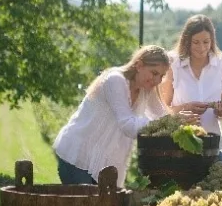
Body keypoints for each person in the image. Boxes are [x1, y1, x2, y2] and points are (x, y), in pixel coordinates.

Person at [52, 45, 198, 187]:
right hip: (78, 155)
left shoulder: (146, 89)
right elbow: (127, 125)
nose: (158, 80)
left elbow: (164, 117)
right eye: (154, 73)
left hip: (103, 164)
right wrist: (169, 121)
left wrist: (182, 123)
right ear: (139, 65)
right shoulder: (115, 80)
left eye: (161, 76)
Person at [159, 14, 222, 162]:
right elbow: (162, 109)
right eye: (196, 42)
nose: (202, 48)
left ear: (212, 40)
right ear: (187, 41)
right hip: (179, 146)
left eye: (206, 42)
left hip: (212, 147)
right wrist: (185, 108)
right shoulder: (173, 64)